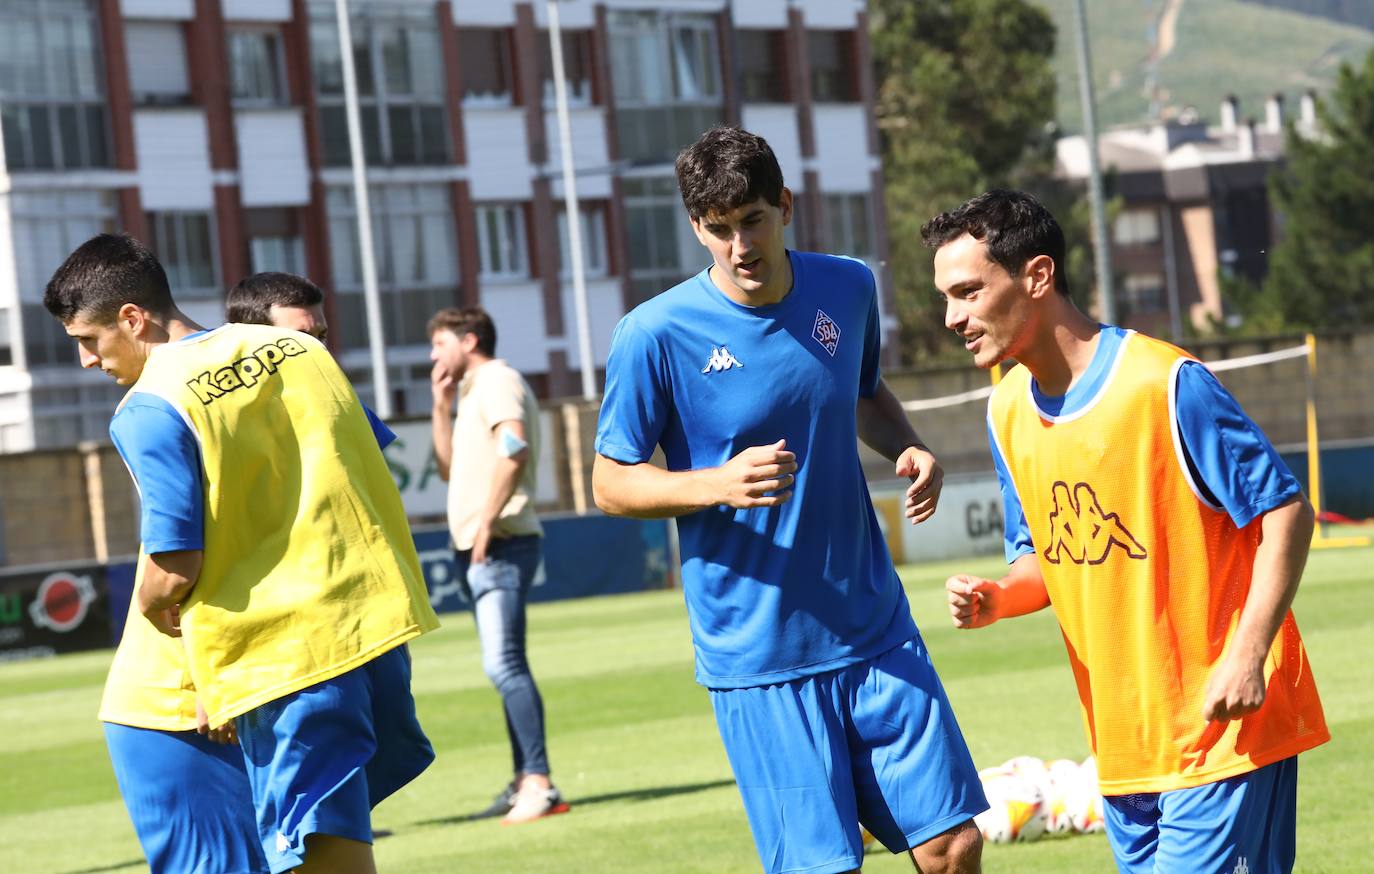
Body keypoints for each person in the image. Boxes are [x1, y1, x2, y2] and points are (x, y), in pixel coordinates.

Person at [592, 126, 987, 874]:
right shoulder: (653, 335)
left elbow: (863, 392)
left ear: (786, 206)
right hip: (762, 655)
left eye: (753, 221)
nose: (739, 245)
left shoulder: (847, 286)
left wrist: (909, 444)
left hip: (875, 625)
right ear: (695, 227)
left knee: (953, 845)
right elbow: (610, 483)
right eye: (717, 229)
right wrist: (714, 484)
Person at [925, 190, 1329, 873]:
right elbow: (1039, 564)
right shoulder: (1005, 411)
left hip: (1219, 734)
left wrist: (1248, 652)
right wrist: (999, 597)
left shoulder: (1165, 384)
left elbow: (1285, 510)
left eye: (968, 291)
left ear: (1038, 276)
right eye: (946, 297)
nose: (952, 317)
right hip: (1122, 753)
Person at [44, 235, 440, 874]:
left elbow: (174, 562)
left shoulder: (149, 405)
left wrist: (148, 606)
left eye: (87, 340)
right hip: (367, 630)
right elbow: (360, 452)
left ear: (132, 318)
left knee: (312, 853)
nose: (87, 361)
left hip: (278, 655)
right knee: (332, 840)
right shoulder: (299, 348)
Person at [429, 306, 567, 824]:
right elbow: (447, 469)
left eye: (440, 343)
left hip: (502, 542)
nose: (434, 355)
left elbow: (515, 447)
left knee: (504, 665)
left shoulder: (498, 379)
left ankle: (538, 783)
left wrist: (486, 523)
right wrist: (440, 406)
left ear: (469, 340)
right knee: (506, 665)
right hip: (482, 544)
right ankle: (522, 780)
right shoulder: (469, 391)